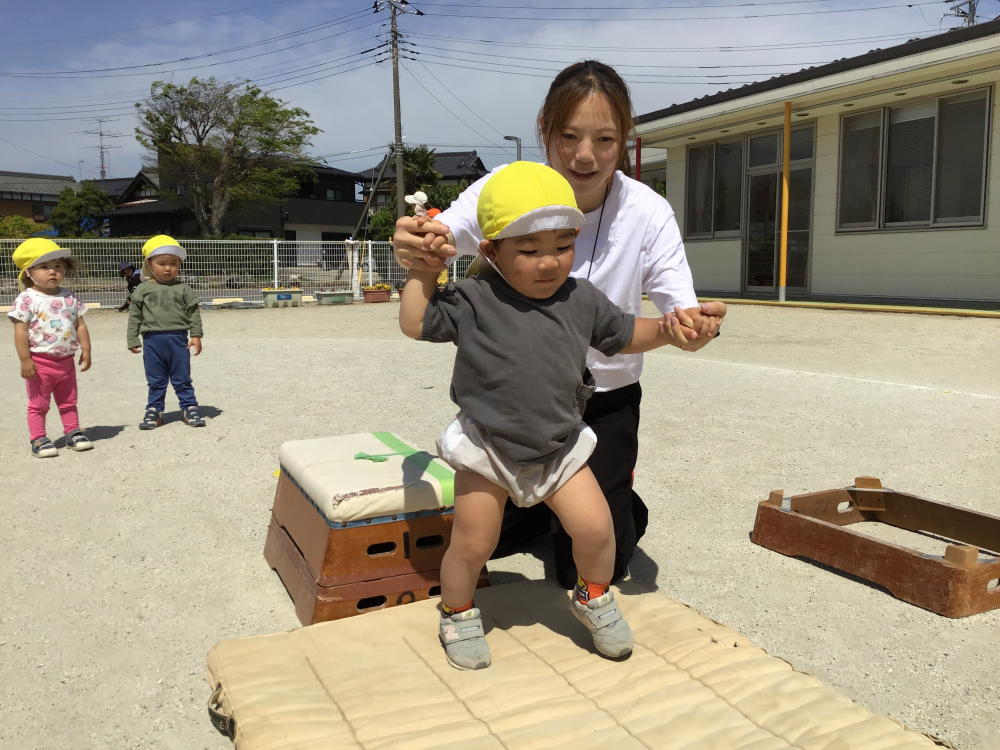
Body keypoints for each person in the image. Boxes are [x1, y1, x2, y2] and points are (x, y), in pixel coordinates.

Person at [394, 60, 727, 588]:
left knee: (595, 564)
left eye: (605, 138)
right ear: (543, 131)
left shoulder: (647, 211)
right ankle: (545, 503)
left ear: (625, 140)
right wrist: (416, 242)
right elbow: (438, 239)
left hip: (608, 400)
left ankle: (617, 499)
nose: (584, 155)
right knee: (484, 541)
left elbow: (676, 311)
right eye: (568, 135)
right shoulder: (504, 188)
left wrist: (689, 327)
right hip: (515, 405)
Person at [400, 162, 701, 670]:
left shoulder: (580, 299)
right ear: (492, 251)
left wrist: (669, 329)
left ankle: (594, 596)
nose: (549, 263)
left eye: (563, 246)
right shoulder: (474, 298)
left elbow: (626, 333)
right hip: (488, 446)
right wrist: (424, 273)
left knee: (596, 528)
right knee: (475, 541)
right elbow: (414, 323)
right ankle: (456, 611)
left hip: (560, 443)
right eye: (531, 250)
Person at [8, 238, 94, 457]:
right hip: (39, 362)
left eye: (57, 266)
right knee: (38, 404)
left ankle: (73, 432)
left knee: (69, 401)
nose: (52, 272)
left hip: (66, 361)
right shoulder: (26, 298)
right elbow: (20, 331)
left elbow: (79, 324)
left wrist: (86, 349)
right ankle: (38, 438)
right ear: (28, 272)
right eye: (44, 267)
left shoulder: (69, 297)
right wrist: (25, 359)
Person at [127, 235, 206, 430]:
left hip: (178, 340)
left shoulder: (183, 288)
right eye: (161, 263)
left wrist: (196, 335)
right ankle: (154, 409)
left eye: (173, 263)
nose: (168, 268)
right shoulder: (143, 289)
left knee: (182, 377)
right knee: (156, 379)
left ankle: (189, 407)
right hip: (152, 341)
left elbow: (193, 313)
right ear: (148, 264)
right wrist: (132, 338)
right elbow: (134, 316)